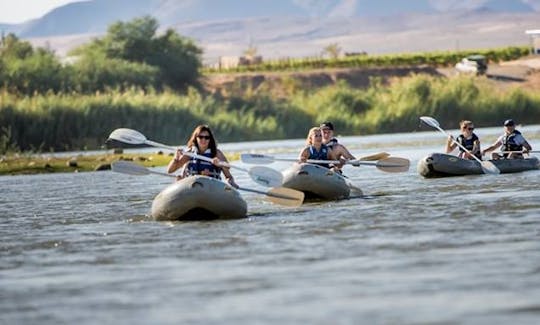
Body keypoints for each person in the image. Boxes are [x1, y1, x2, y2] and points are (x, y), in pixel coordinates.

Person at [167, 124, 239, 188]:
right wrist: (176, 158)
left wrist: (220, 164)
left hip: (212, 187)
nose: (203, 139)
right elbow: (170, 171)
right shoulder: (190, 153)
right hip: (192, 187)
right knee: (179, 178)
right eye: (200, 137)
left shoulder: (216, 153)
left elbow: (228, 168)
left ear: (210, 139)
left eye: (206, 137)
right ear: (196, 138)